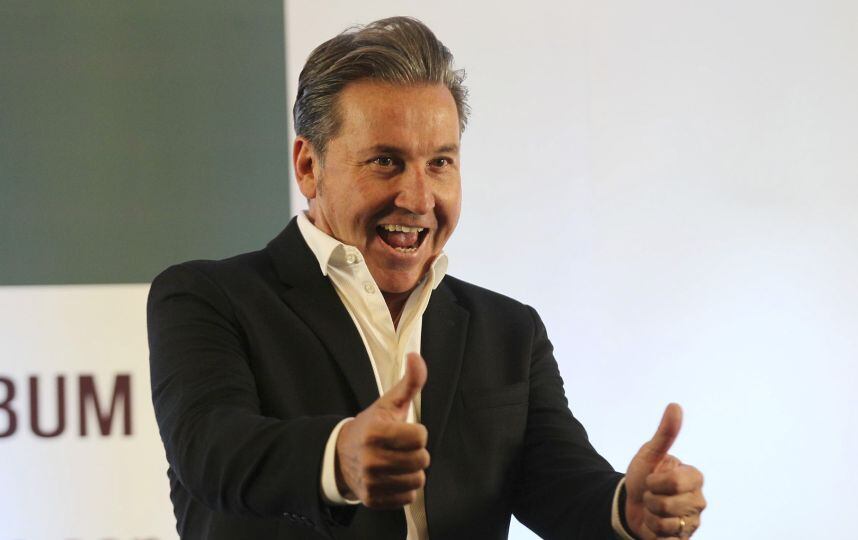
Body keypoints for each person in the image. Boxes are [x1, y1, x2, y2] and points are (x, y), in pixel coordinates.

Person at [147, 16, 706, 540]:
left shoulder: (509, 330)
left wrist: (627, 508)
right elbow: (213, 451)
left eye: (440, 162)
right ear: (308, 166)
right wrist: (338, 458)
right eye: (385, 161)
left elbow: (558, 478)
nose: (418, 199)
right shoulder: (207, 299)